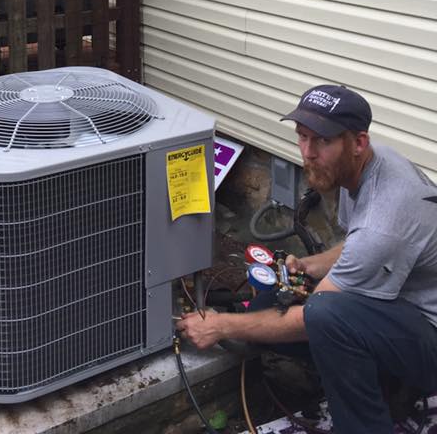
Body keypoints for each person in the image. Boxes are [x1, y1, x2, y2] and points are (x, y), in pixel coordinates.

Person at [176, 84, 437, 434]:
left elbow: (315, 315)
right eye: (302, 137)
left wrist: (220, 325)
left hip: (429, 333)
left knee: (325, 317)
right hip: (400, 307)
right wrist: (310, 266)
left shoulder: (384, 218)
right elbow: (355, 245)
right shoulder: (365, 166)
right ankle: (384, 386)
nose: (308, 153)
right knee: (269, 307)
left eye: (322, 141)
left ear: (358, 142)